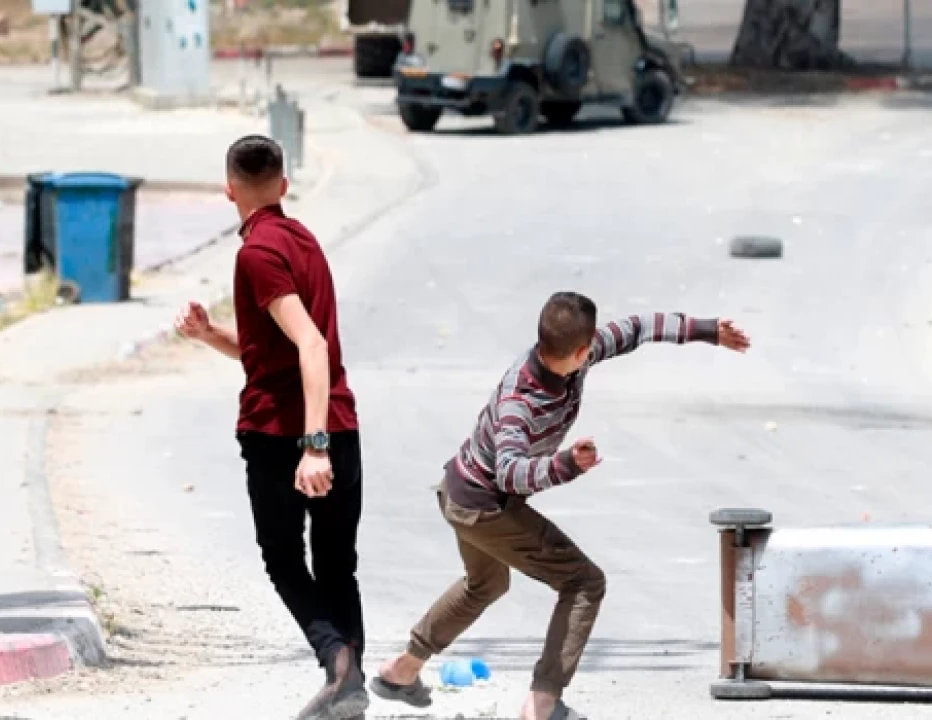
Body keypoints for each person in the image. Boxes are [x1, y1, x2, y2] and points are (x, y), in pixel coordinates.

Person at [370, 292, 751, 720]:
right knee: (584, 583)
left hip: (459, 490)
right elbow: (510, 473)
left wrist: (707, 330)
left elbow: (639, 327)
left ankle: (401, 671)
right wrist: (565, 465)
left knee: (485, 585)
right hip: (485, 505)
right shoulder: (521, 402)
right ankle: (542, 704)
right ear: (581, 351)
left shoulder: (575, 355)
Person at [174, 135, 368, 720]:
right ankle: (349, 687)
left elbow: (310, 344)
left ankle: (337, 661)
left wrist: (314, 447)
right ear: (283, 185)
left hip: (286, 433)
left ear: (228, 190)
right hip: (336, 420)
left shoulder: (256, 254)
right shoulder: (302, 240)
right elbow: (273, 350)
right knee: (336, 563)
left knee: (283, 559)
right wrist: (210, 335)